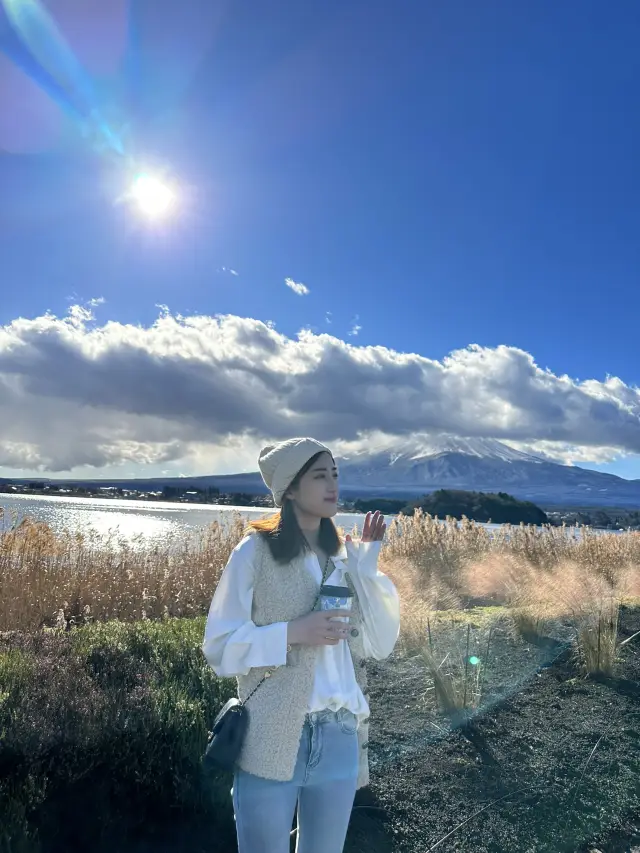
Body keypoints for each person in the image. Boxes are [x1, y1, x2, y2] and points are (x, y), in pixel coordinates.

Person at [202, 437, 400, 853]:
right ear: (289, 488)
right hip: (271, 736)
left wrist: (367, 567)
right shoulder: (254, 552)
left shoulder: (346, 556)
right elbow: (219, 648)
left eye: (335, 475)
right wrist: (292, 632)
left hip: (340, 735)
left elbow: (380, 644)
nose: (333, 485)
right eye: (320, 476)